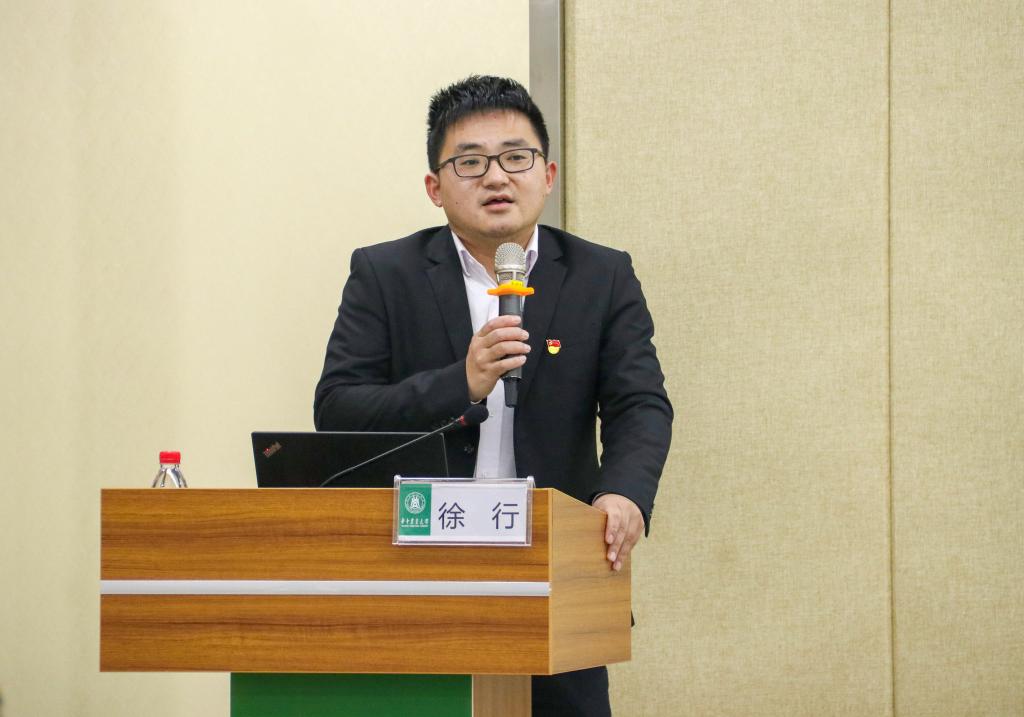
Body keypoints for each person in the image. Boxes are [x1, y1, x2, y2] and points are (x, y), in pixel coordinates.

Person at [314, 75, 672, 716]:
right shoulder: (384, 274)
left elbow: (639, 403)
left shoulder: (601, 275)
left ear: (547, 175)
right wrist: (461, 382)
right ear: (435, 187)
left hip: (554, 569)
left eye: (516, 157)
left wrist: (623, 493)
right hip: (421, 569)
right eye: (471, 162)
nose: (497, 177)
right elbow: (338, 408)